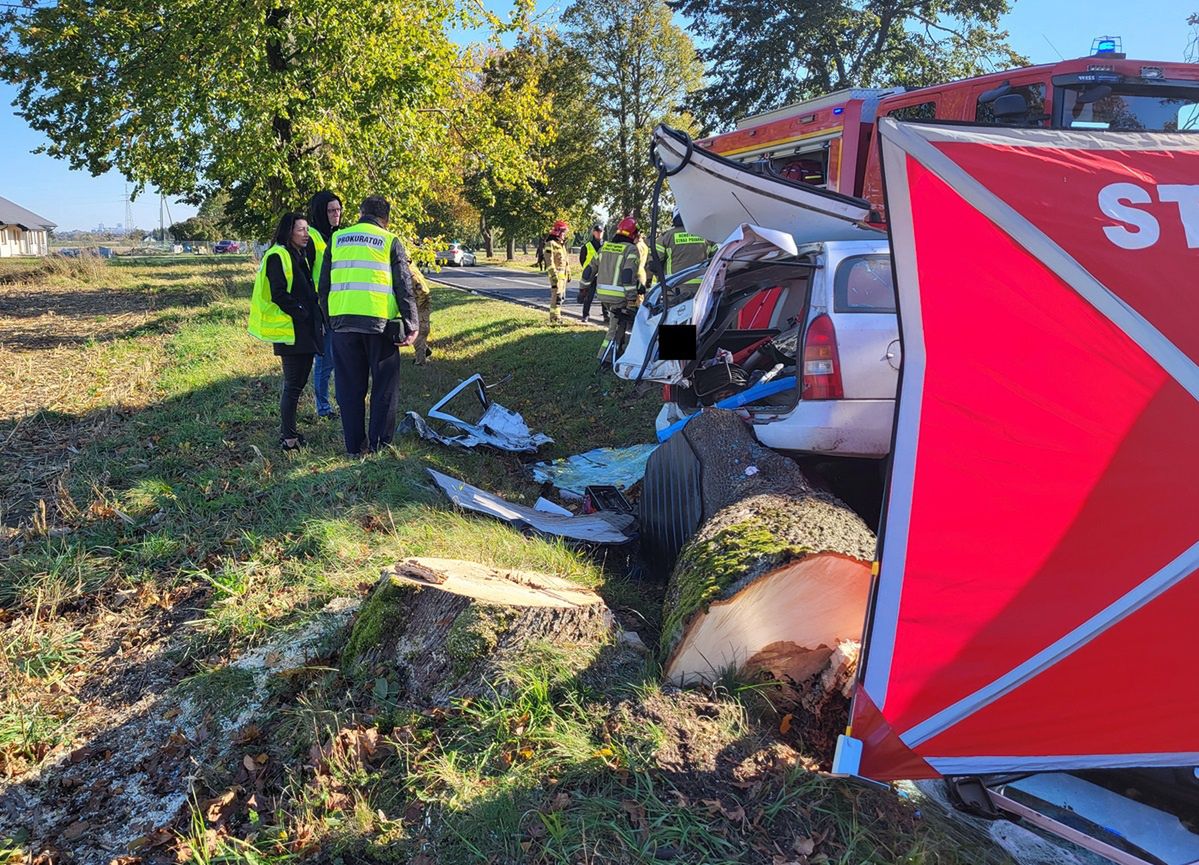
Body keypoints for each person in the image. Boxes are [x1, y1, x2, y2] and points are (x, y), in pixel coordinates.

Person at [327, 196, 419, 456]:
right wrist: (412, 323)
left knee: (349, 387)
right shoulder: (389, 241)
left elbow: (324, 286)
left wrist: (329, 319)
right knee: (384, 387)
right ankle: (379, 445)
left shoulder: (337, 239)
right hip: (380, 326)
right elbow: (403, 285)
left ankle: (355, 447)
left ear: (360, 213)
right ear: (386, 219)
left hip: (343, 324)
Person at [247, 212, 322, 450]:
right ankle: (288, 439)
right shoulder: (277, 255)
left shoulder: (298, 255)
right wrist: (301, 312)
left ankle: (291, 433)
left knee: (298, 384)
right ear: (288, 231)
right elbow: (278, 293)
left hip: (303, 330)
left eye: (307, 229)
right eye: (301, 230)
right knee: (292, 386)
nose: (306, 234)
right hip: (291, 332)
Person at [307, 190, 342, 419]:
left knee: (338, 358)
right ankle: (323, 408)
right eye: (331, 210)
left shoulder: (339, 235)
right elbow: (306, 274)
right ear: (321, 212)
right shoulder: (311, 237)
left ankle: (337, 401)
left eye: (338, 210)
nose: (336, 214)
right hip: (321, 309)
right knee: (324, 360)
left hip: (341, 306)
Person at [594, 216, 648, 363]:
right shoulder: (631, 249)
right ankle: (604, 358)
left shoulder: (605, 247)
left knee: (619, 324)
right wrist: (631, 297)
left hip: (603, 295)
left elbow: (589, 269)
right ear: (633, 234)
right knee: (614, 327)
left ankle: (618, 350)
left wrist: (583, 287)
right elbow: (627, 276)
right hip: (619, 297)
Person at [653, 208, 713, 292]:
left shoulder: (666, 237)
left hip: (674, 287)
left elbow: (654, 264)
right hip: (702, 289)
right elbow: (717, 258)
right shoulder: (706, 236)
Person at [577, 223, 606, 324]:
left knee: (604, 297)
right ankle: (585, 315)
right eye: (597, 231)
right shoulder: (587, 246)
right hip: (590, 276)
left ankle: (606, 316)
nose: (599, 233)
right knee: (588, 297)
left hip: (602, 275)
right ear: (593, 233)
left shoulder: (606, 246)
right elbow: (582, 260)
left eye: (601, 232)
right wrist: (588, 271)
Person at [544, 219, 571, 325]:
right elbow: (549, 261)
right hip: (556, 276)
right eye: (563, 232)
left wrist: (568, 273)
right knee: (556, 297)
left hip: (563, 276)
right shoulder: (551, 244)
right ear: (558, 232)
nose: (564, 235)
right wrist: (553, 275)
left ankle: (557, 316)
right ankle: (554, 318)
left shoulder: (561, 245)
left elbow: (566, 261)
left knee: (561, 297)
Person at [411, 264, 433, 364]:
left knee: (419, 332)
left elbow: (423, 292)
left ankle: (420, 361)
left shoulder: (411, 274)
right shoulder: (409, 269)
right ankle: (424, 350)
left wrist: (416, 307)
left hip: (420, 306)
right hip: (416, 304)